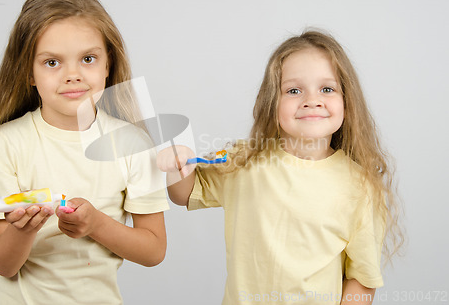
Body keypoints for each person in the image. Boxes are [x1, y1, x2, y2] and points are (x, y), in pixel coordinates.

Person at [158, 30, 403, 305]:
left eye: (327, 89)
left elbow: (362, 279)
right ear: (272, 101)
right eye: (294, 90)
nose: (312, 100)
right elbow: (184, 194)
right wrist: (175, 166)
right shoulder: (245, 161)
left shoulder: (360, 187)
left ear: (347, 100)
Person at [0, 0, 169, 305]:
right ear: (29, 73)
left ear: (108, 64)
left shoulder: (132, 144)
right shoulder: (7, 145)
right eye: (52, 62)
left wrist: (96, 224)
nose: (72, 75)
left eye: (88, 59)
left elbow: (154, 250)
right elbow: (3, 265)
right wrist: (23, 230)